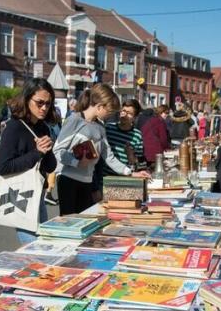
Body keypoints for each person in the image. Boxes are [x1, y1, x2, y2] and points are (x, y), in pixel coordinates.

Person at [53, 83, 150, 216]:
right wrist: (76, 162)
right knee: (68, 222)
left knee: (84, 222)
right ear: (99, 107)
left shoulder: (100, 127)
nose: (110, 116)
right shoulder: (74, 120)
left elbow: (108, 156)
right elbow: (58, 150)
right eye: (109, 112)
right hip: (68, 180)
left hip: (87, 181)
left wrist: (130, 173)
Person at [0, 78, 56, 244]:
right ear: (27, 99)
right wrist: (37, 153)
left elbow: (51, 166)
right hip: (20, 195)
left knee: (44, 245)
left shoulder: (43, 127)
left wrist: (47, 151)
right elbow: (3, 167)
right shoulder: (14, 128)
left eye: (48, 103)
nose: (44, 108)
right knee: (34, 250)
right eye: (39, 103)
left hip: (38, 193)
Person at [103, 99, 146, 175]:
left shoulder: (137, 135)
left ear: (135, 117)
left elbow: (140, 164)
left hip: (125, 177)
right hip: (105, 176)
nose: (124, 115)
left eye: (129, 113)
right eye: (123, 111)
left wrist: (130, 155)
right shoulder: (108, 128)